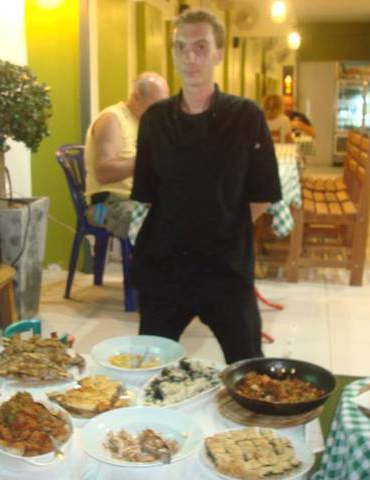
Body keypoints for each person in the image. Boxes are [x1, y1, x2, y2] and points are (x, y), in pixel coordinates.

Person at [130, 8, 282, 364]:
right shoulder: (155, 120)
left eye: (200, 47)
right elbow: (149, 195)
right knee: (148, 366)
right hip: (166, 266)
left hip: (225, 268)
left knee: (248, 367)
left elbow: (261, 197)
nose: (190, 57)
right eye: (181, 47)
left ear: (219, 54)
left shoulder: (245, 116)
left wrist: (220, 227)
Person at [84, 72, 169, 239]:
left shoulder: (146, 122)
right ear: (136, 97)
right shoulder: (112, 119)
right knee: (160, 226)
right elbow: (103, 173)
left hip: (140, 200)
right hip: (107, 205)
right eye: (156, 105)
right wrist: (149, 160)